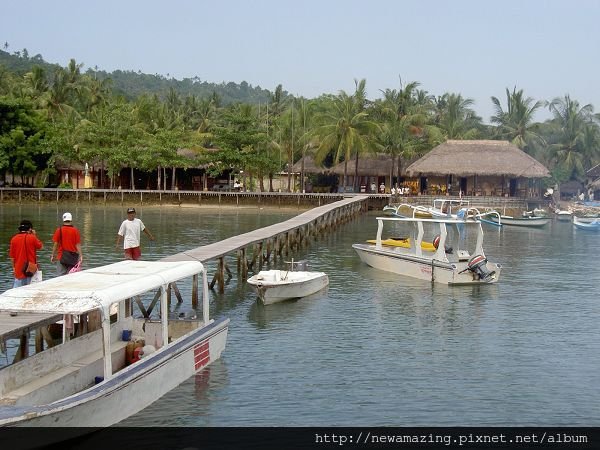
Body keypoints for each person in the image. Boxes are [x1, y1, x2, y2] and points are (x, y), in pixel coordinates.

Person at [9, 219, 43, 288]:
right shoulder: (32, 238)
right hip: (31, 270)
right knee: (31, 291)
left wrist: (14, 268)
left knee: (17, 292)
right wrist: (34, 235)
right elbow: (41, 246)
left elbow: (12, 257)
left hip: (18, 270)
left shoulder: (14, 239)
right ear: (30, 229)